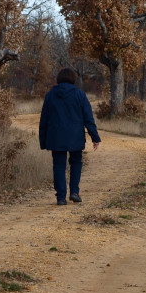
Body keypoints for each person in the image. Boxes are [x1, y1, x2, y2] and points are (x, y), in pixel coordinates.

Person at [39, 68, 101, 205]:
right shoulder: (80, 95)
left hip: (56, 137)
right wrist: (95, 137)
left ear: (59, 78)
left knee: (59, 165)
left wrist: (43, 141)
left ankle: (61, 197)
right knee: (76, 163)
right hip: (75, 136)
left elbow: (44, 119)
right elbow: (88, 118)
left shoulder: (50, 95)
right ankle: (74, 192)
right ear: (73, 79)